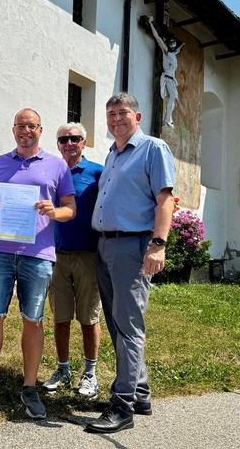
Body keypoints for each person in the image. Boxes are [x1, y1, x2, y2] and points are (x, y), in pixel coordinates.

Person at [0, 108, 76, 420]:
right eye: (20, 126)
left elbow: (70, 209)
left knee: (33, 320)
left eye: (31, 126)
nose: (25, 131)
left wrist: (53, 211)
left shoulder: (57, 166)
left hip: (38, 254)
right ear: (13, 129)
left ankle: (29, 388)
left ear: (40, 130)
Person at [86, 92, 175, 433]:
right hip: (106, 245)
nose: (115, 118)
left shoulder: (152, 148)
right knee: (117, 323)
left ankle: (122, 406)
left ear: (137, 117)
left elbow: (164, 199)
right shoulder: (112, 154)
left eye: (122, 112)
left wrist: (157, 244)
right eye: (110, 114)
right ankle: (140, 392)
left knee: (129, 325)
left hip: (133, 246)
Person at [42, 122, 104, 398]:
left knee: (89, 317)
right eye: (64, 139)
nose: (69, 143)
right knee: (61, 316)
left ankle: (90, 373)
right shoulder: (51, 171)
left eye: (75, 138)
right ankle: (63, 368)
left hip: (89, 255)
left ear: (84, 142)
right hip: (56, 254)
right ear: (58, 144)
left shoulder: (97, 173)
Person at [148, 17, 184, 128]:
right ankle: (167, 119)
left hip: (172, 79)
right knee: (173, 97)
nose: (173, 45)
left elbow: (178, 49)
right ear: (168, 44)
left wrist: (182, 45)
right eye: (171, 43)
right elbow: (157, 38)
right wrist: (150, 23)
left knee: (174, 99)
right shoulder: (166, 52)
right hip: (167, 78)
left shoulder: (173, 53)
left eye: (174, 44)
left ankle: (168, 118)